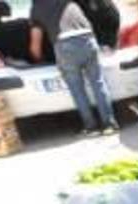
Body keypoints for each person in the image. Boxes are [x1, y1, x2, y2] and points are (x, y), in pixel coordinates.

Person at [29, 0, 118, 136]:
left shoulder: (37, 8)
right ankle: (109, 125)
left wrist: (38, 61)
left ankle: (91, 128)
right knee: (98, 83)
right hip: (88, 40)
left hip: (65, 45)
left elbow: (35, 46)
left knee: (77, 90)